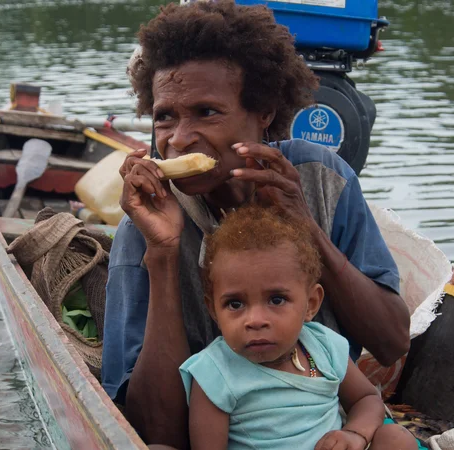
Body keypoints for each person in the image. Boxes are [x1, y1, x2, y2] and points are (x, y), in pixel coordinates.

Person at [102, 1, 411, 447]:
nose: (178, 140)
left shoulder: (321, 176)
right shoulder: (147, 221)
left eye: (207, 112)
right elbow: (154, 432)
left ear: (263, 112)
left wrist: (307, 228)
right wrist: (164, 255)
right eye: (165, 116)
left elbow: (391, 343)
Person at [180, 205, 419, 450]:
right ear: (213, 310)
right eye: (235, 303)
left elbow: (366, 399)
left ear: (311, 304)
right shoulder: (214, 373)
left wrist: (355, 434)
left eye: (276, 300)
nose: (255, 320)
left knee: (396, 438)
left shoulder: (323, 346)